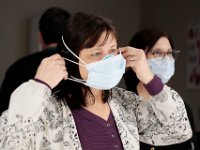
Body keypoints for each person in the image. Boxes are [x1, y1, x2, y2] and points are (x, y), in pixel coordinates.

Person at [0, 12, 192, 150]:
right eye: (96, 53)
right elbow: (9, 140)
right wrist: (39, 86)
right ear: (73, 59)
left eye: (112, 50)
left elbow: (177, 130)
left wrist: (150, 78)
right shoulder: (48, 111)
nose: (107, 59)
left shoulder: (125, 104)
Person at [124, 28, 195, 150]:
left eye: (169, 53)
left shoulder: (180, 107)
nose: (167, 59)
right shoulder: (122, 107)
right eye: (157, 52)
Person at [0, 7, 71, 114]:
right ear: (70, 37)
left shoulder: (17, 68)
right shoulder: (79, 69)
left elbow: (4, 113)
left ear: (40, 36)